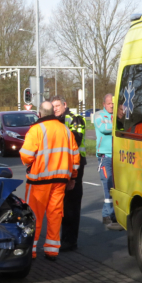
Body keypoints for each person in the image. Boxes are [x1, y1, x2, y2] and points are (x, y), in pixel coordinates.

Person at [20, 101, 80, 261]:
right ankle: (52, 250)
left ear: (39, 114)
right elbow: (75, 157)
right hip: (60, 180)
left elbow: (26, 155)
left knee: (34, 216)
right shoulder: (65, 129)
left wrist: (30, 163)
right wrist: (73, 177)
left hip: (39, 180)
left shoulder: (36, 130)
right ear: (53, 112)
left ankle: (31, 250)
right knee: (55, 214)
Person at [51, 96, 86, 252]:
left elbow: (76, 140)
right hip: (62, 165)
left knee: (71, 204)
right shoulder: (55, 121)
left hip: (76, 165)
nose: (55, 109)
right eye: (53, 106)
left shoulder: (74, 120)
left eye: (58, 105)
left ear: (65, 105)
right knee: (62, 204)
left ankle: (71, 240)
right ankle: (64, 238)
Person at [94, 94, 124, 231]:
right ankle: (109, 215)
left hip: (118, 156)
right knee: (107, 185)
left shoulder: (118, 116)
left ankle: (109, 214)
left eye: (113, 103)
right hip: (105, 156)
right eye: (108, 103)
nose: (111, 105)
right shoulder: (99, 115)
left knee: (116, 186)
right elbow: (104, 129)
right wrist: (119, 121)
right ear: (103, 104)